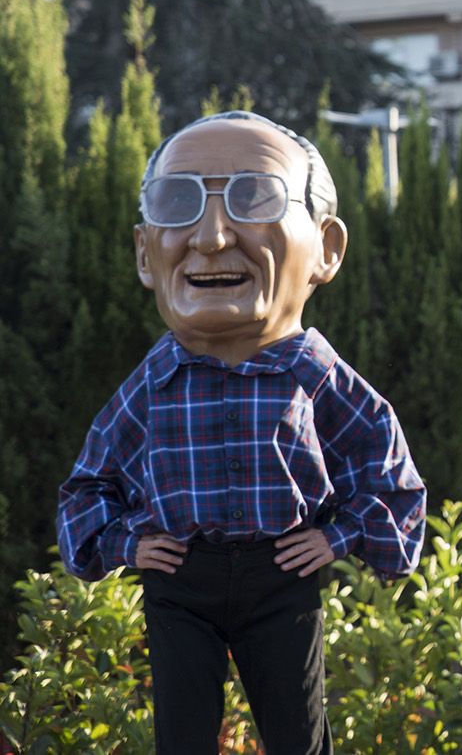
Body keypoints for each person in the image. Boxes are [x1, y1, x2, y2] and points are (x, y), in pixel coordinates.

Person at [58, 110, 427, 754]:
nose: (210, 235)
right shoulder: (154, 382)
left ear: (326, 249)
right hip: (181, 580)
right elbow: (87, 488)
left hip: (278, 574)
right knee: (182, 735)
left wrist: (335, 537)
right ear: (146, 253)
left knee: (297, 736)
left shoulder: (316, 377)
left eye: (255, 196)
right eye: (180, 202)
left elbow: (391, 481)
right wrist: (127, 545)